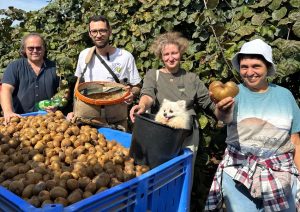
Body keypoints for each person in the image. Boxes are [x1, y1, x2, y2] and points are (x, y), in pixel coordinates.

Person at [205, 39, 300, 211]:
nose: (249, 72)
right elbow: (223, 116)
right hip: (238, 175)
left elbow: (295, 140)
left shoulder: (285, 95)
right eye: (244, 66)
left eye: (256, 66)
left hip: (281, 174)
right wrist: (221, 109)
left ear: (268, 67)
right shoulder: (234, 94)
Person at [129, 31, 216, 163]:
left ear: (181, 52)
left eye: (174, 53)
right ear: (161, 57)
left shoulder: (192, 78)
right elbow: (148, 95)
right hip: (161, 134)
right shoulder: (154, 75)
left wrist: (223, 110)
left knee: (185, 172)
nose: (171, 58)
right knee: (159, 170)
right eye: (166, 54)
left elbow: (208, 103)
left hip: (187, 137)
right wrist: (142, 106)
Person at [67, 15, 141, 131]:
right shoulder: (84, 55)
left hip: (116, 120)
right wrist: (74, 111)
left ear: (110, 31)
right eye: (94, 31)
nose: (98, 35)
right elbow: (78, 84)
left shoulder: (125, 57)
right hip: (87, 120)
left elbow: (136, 86)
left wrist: (132, 93)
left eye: (102, 30)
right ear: (90, 33)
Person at [1, 33, 60, 124]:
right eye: (30, 48)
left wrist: (56, 103)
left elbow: (63, 92)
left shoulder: (54, 68)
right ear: (24, 49)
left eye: (38, 48)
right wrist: (8, 111)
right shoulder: (15, 66)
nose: (35, 51)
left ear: (44, 48)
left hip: (47, 120)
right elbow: (6, 89)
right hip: (20, 120)